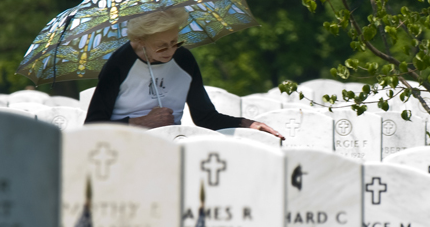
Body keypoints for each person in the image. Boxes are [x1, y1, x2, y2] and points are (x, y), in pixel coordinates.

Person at [84, 7, 284, 139]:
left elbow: (205, 117)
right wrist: (141, 122)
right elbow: (92, 126)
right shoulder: (119, 64)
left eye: (175, 42)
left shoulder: (184, 60)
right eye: (161, 47)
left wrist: (248, 124)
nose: (170, 52)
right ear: (139, 41)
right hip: (123, 147)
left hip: (173, 143)